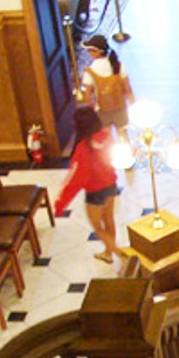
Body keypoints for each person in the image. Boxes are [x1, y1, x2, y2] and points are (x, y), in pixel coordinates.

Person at [54, 107, 123, 263]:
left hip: (95, 192)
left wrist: (60, 204)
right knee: (109, 219)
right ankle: (108, 253)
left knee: (98, 227)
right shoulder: (107, 136)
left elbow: (76, 179)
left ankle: (119, 254)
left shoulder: (83, 149)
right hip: (111, 184)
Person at [77, 35, 133, 144]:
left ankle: (109, 159)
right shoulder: (118, 65)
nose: (89, 53)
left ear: (96, 52)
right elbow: (128, 88)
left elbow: (88, 96)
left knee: (106, 139)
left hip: (102, 111)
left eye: (90, 50)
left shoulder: (90, 71)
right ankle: (129, 158)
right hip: (120, 108)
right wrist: (133, 104)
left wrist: (92, 111)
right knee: (124, 138)